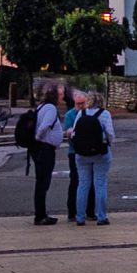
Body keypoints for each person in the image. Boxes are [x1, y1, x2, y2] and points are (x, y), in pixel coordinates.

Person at [73, 88, 115, 226]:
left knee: (83, 184)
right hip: (100, 153)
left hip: (81, 153)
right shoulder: (105, 114)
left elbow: (74, 133)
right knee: (100, 184)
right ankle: (101, 216)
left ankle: (80, 217)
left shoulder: (81, 113)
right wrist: (109, 143)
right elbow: (110, 133)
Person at [31, 83, 63, 224]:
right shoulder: (50, 108)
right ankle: (40, 216)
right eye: (60, 94)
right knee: (43, 182)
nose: (62, 97)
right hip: (45, 149)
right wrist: (38, 138)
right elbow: (45, 125)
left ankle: (41, 213)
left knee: (41, 182)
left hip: (41, 148)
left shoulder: (41, 107)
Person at [63, 91, 95, 222]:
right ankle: (72, 212)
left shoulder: (90, 113)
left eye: (83, 103)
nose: (80, 106)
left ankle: (90, 211)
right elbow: (68, 132)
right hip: (74, 151)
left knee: (91, 182)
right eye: (78, 104)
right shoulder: (70, 115)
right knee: (75, 181)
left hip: (89, 151)